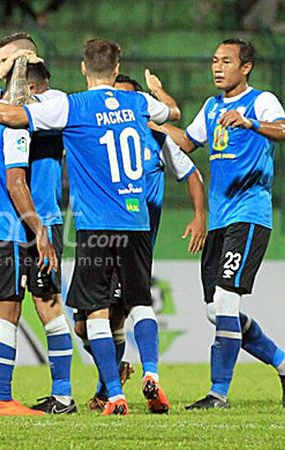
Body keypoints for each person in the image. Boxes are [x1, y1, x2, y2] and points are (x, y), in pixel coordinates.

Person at [0, 38, 175, 416]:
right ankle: (152, 371)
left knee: (96, 311)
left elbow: (10, 117)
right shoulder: (137, 102)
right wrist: (158, 92)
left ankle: (116, 395)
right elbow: (171, 111)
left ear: (84, 68)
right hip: (137, 220)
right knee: (139, 302)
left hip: (96, 224)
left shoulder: (71, 105)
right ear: (118, 70)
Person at [158, 38, 285, 410]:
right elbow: (188, 143)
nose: (217, 67)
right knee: (215, 310)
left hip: (249, 213)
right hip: (220, 219)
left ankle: (218, 393)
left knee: (225, 300)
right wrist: (151, 125)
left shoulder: (261, 100)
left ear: (246, 67)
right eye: (214, 60)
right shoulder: (210, 107)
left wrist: (251, 123)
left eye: (226, 61)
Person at [0, 33, 78, 415]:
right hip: (11, 222)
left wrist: (7, 80)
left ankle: (62, 394)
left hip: (42, 218)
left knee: (46, 305)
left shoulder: (53, 102)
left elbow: (10, 110)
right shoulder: (2, 113)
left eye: (9, 62)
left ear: (29, 65)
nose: (4, 69)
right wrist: (1, 77)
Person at [82, 73, 207, 413]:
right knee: (90, 322)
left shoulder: (156, 137)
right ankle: (118, 376)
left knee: (112, 314)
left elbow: (192, 174)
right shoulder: (98, 137)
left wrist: (200, 215)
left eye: (127, 98)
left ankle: (108, 389)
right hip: (107, 234)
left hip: (135, 240)